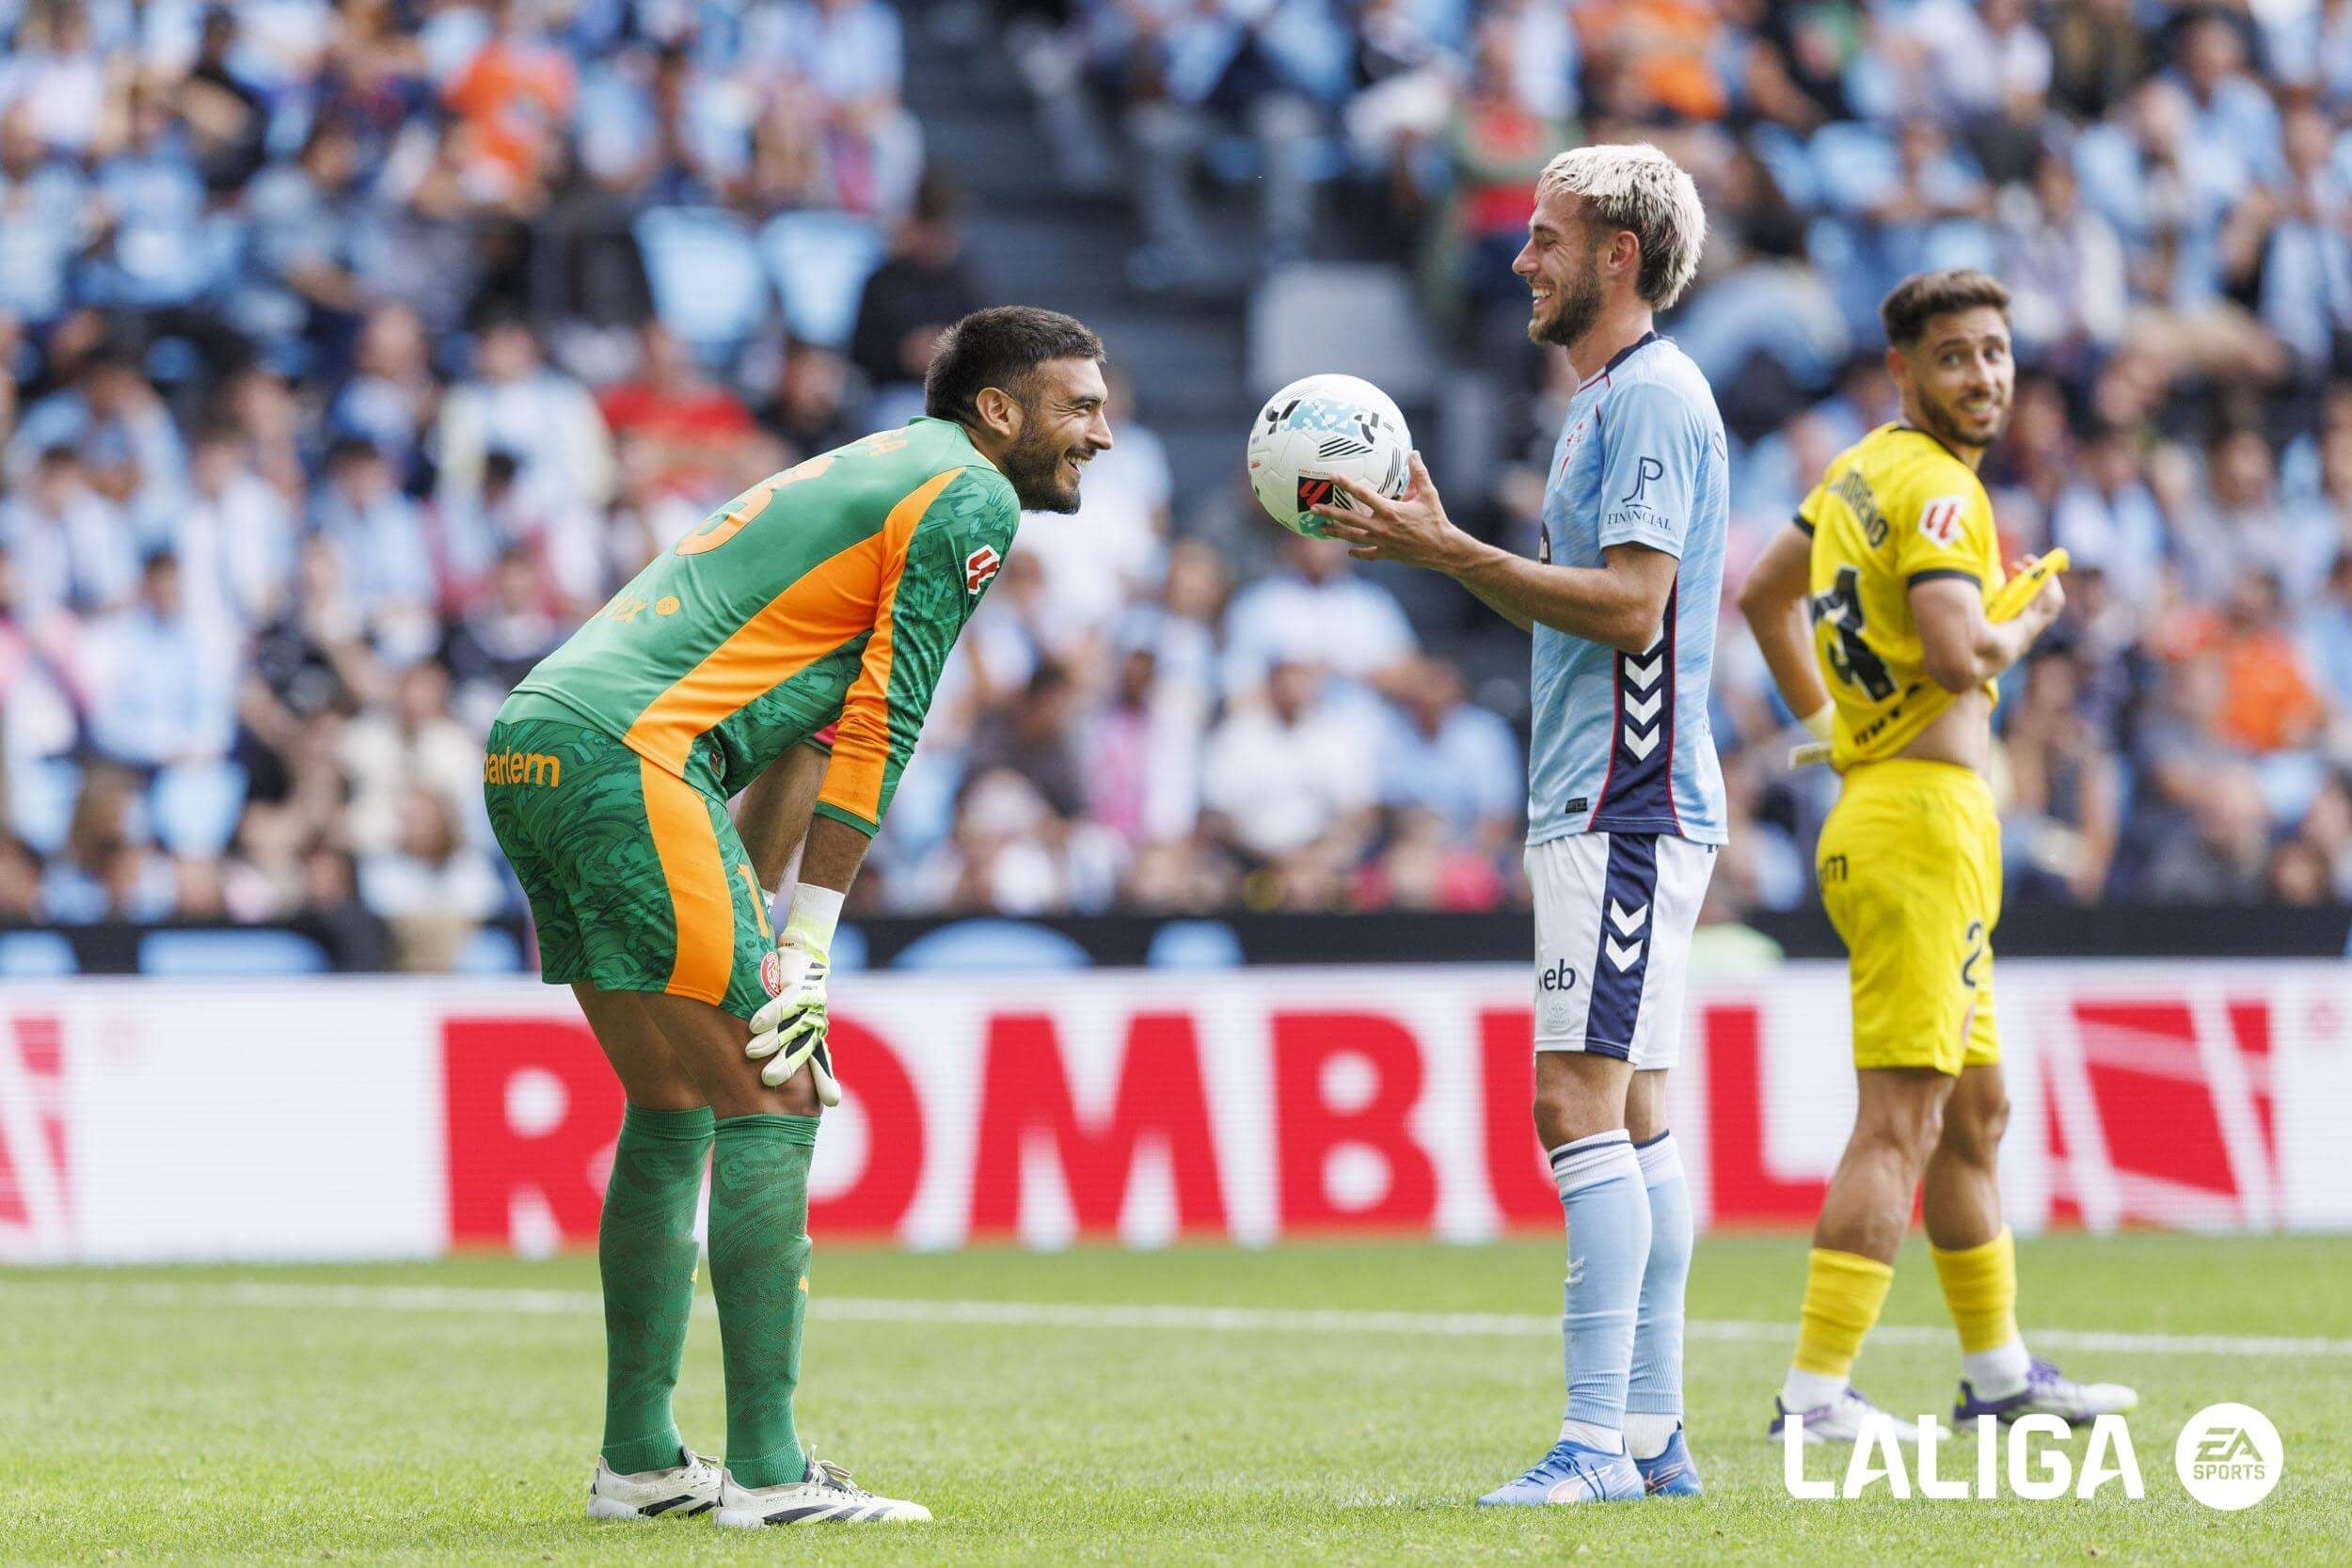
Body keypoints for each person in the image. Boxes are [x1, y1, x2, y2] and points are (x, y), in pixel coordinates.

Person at [483, 307, 1113, 1527]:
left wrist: (772, 928)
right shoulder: (968, 496)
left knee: (674, 1099)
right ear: (998, 410)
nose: (1103, 429)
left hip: (538, 740)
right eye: (1079, 405)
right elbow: (886, 725)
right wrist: (812, 939)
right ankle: (769, 1473)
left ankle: (641, 1458)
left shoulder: (878, 471)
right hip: (634, 757)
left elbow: (802, 740)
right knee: (775, 1089)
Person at [1311, 143, 1724, 1505]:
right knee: (1638, 1113)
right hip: (1614, 789)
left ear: (1617, 255)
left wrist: (1447, 556)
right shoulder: (1614, 400)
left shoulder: (1652, 399)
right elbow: (1583, 604)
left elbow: (1630, 608)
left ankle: (1595, 1441)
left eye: (1544, 238)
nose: (1518, 258)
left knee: (1573, 1103)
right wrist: (1456, 546)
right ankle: (1654, 1434)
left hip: (1622, 794)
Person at [1736, 268, 2137, 1447]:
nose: (1984, 376)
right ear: (1902, 369)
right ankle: (1813, 1397)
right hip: (1919, 822)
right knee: (1901, 1117)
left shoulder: (1858, 470)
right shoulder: (1946, 494)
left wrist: (1828, 731)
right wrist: (2028, 620)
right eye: (1955, 356)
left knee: (1975, 1111)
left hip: (1891, 805)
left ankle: (1999, 1375)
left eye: (1997, 353)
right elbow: (1963, 657)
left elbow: (1766, 597)